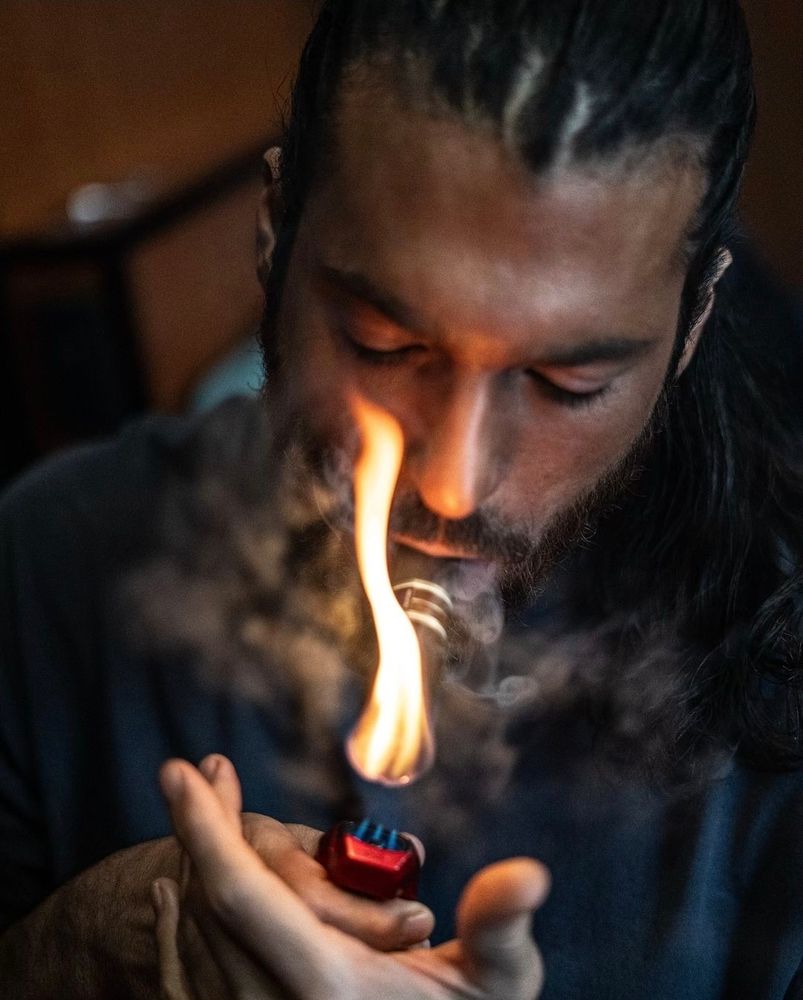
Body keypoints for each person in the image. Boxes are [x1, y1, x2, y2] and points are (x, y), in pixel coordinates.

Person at [1, 1, 802, 997]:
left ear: (691, 325)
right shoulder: (43, 568)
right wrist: (77, 949)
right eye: (384, 344)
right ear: (274, 230)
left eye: (566, 384)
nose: (452, 483)